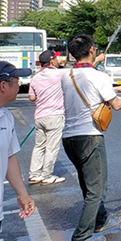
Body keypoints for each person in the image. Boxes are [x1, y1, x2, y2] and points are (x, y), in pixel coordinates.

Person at [61, 34, 121, 241]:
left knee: (88, 184)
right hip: (89, 137)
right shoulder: (99, 77)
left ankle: (101, 219)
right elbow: (115, 105)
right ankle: (81, 237)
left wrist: (117, 88)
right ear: (93, 50)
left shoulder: (66, 75)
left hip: (69, 138)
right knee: (97, 188)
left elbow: (90, 88)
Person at [0, 62, 36, 241]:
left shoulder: (6, 117)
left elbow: (9, 157)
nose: (20, 85)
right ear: (3, 86)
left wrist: (22, 194)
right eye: (16, 81)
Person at [28, 50, 67, 185]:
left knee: (39, 146)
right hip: (54, 115)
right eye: (56, 59)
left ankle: (34, 174)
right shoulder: (58, 74)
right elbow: (77, 73)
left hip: (39, 116)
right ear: (51, 61)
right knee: (52, 147)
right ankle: (47, 175)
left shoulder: (35, 78)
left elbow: (32, 97)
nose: (58, 61)